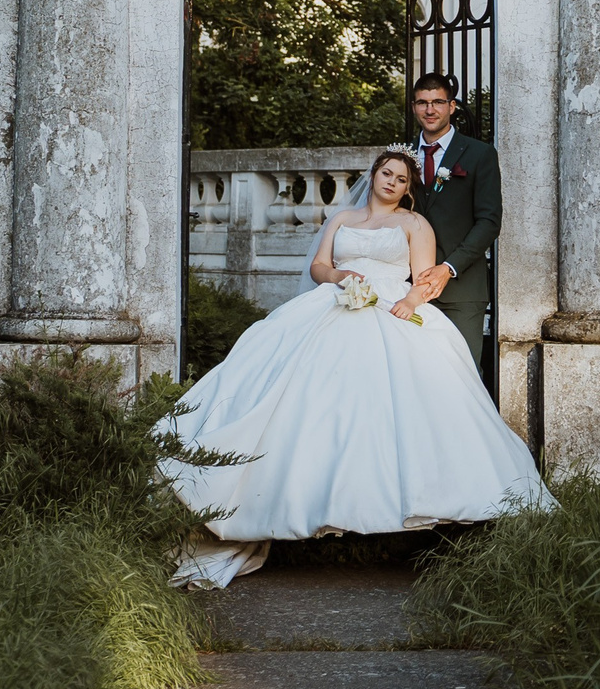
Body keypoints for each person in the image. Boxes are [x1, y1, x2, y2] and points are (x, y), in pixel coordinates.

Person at [155, 146, 552, 589]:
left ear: (408, 189)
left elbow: (424, 279)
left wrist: (407, 303)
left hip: (391, 306)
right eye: (387, 174)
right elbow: (320, 266)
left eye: (402, 180)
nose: (392, 183)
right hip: (333, 303)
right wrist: (340, 278)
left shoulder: (414, 224)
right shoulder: (341, 219)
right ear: (375, 174)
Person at [403, 71, 500, 377]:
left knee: (461, 378)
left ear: (452, 106)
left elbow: (489, 221)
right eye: (422, 102)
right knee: (414, 376)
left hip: (461, 290)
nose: (429, 110)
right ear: (414, 106)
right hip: (408, 289)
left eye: (437, 102)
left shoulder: (479, 154)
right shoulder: (400, 158)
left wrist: (448, 268)